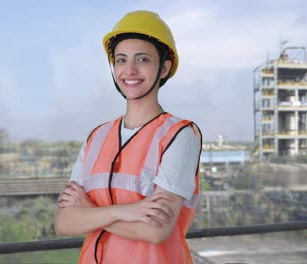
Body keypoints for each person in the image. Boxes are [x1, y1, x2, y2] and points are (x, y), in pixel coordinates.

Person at [55, 10, 202, 264]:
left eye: (142, 59)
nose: (129, 70)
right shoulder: (97, 137)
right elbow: (65, 222)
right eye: (121, 60)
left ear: (164, 68)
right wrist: (128, 211)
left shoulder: (180, 135)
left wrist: (90, 213)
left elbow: (156, 231)